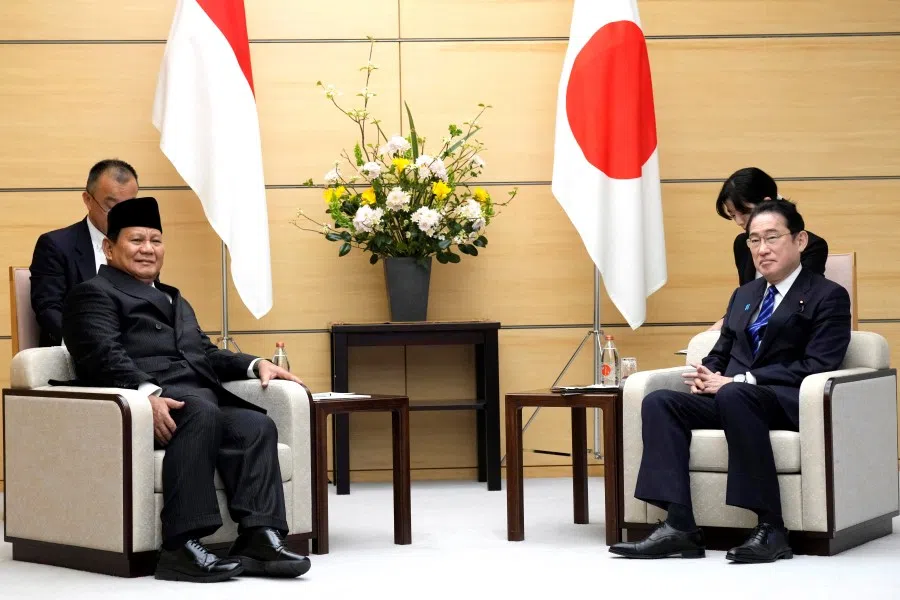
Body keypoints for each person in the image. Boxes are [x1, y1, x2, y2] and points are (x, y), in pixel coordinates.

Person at [61, 197, 311, 583]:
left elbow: (204, 353)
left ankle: (259, 538)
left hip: (196, 402)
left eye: (156, 240)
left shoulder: (175, 297)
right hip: (147, 407)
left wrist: (255, 363)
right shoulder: (93, 293)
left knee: (253, 426)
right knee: (202, 411)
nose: (148, 249)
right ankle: (180, 547)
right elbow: (100, 354)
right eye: (136, 240)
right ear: (109, 248)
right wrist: (146, 395)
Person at [610, 199, 851, 563]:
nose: (762, 249)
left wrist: (742, 379)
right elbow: (722, 350)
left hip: (784, 401)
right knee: (660, 401)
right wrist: (705, 374)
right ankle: (679, 527)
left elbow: (818, 363)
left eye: (772, 238)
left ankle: (772, 528)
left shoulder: (827, 296)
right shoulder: (745, 295)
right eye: (754, 241)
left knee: (736, 394)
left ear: (800, 241)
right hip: (731, 397)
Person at [30, 159, 139, 346]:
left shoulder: (141, 246)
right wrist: (89, 345)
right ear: (88, 200)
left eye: (128, 207)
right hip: (83, 351)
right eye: (112, 207)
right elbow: (49, 308)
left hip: (136, 349)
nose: (121, 216)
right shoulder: (56, 245)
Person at [708, 167, 828, 331]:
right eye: (733, 214)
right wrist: (723, 324)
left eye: (744, 212)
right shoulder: (743, 243)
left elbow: (801, 300)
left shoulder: (812, 245)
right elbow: (747, 300)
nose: (739, 221)